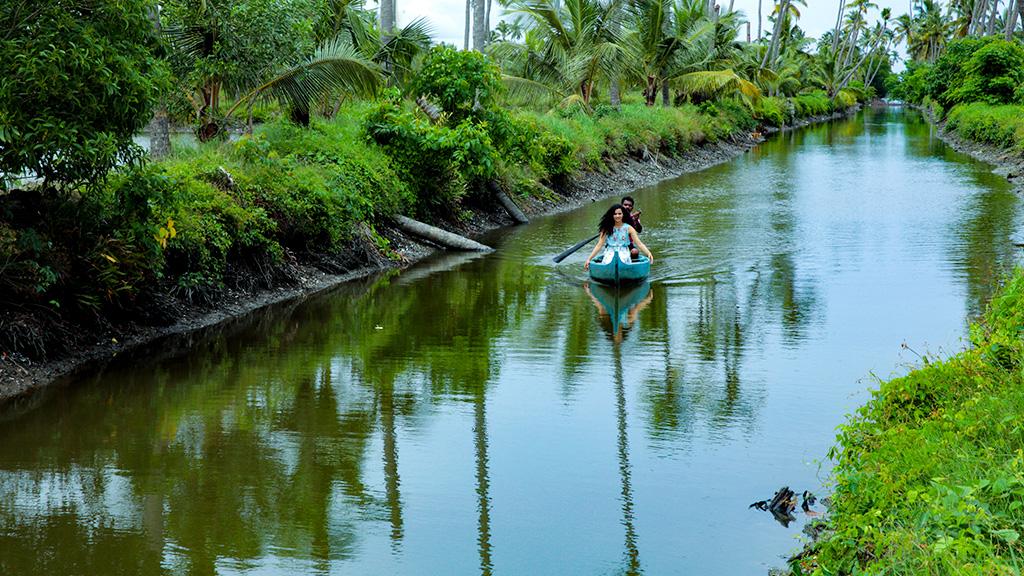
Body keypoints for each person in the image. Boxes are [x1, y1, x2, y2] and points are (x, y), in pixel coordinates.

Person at [583, 204, 653, 271]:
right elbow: (599, 245)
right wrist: (589, 259)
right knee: (609, 259)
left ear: (623, 215)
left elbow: (639, 243)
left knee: (623, 258)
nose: (617, 216)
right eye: (615, 214)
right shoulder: (606, 228)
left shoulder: (629, 228)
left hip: (624, 251)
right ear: (612, 215)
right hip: (610, 251)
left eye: (619, 214)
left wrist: (648, 253)